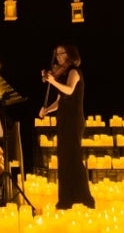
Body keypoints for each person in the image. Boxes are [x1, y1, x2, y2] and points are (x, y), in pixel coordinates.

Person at [39, 43, 94, 210]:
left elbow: (69, 91)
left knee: (74, 158)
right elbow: (60, 100)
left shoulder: (74, 72)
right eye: (56, 55)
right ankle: (66, 199)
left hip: (74, 120)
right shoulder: (62, 76)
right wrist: (46, 110)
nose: (58, 57)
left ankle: (85, 198)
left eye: (61, 54)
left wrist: (52, 80)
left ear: (70, 55)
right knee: (64, 159)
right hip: (63, 119)